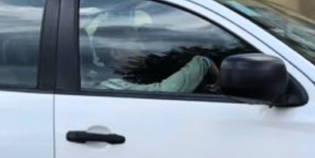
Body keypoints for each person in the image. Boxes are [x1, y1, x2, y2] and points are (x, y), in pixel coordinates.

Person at [88, 24, 218, 94]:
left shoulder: (134, 74)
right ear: (115, 53)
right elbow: (165, 92)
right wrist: (203, 63)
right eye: (136, 43)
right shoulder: (111, 85)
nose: (143, 48)